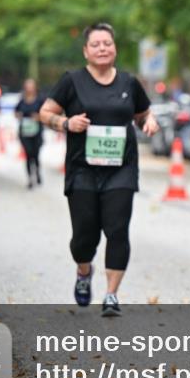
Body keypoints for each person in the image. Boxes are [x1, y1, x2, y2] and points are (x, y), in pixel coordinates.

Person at [40, 22, 158, 317]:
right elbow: (45, 112)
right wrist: (66, 123)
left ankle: (111, 294)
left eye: (107, 43)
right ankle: (83, 270)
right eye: (96, 44)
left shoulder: (129, 83)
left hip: (121, 168)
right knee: (84, 236)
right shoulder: (72, 81)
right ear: (86, 51)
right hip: (82, 169)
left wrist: (149, 123)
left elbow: (144, 114)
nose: (103, 48)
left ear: (115, 48)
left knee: (117, 230)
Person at [15, 78, 44, 188]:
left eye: (31, 85)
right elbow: (16, 112)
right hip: (25, 132)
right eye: (27, 85)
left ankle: (37, 172)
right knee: (28, 155)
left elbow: (46, 115)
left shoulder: (40, 100)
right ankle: (30, 178)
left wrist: (38, 117)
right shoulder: (21, 100)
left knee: (36, 155)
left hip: (37, 132)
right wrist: (19, 116)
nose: (29, 88)